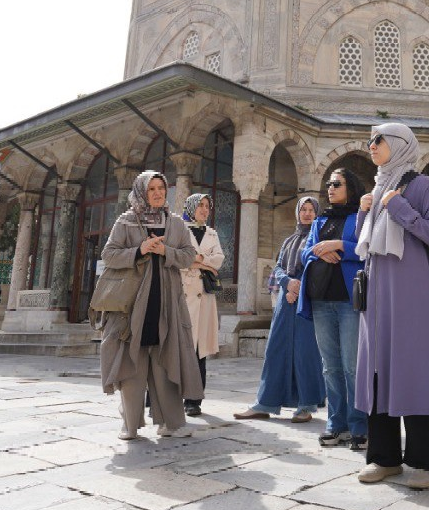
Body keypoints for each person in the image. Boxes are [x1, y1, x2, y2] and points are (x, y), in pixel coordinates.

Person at [355, 124, 429, 490]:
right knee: (380, 367)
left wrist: (396, 206)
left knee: (414, 365)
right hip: (379, 293)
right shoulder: (378, 185)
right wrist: (364, 209)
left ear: (398, 144)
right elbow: (364, 242)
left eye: (377, 140)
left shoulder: (422, 185)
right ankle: (384, 457)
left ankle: (428, 461)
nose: (371, 146)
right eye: (369, 141)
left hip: (413, 291)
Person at [98, 171, 202, 441]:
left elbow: (189, 256)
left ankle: (171, 423)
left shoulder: (176, 223)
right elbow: (109, 254)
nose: (157, 193)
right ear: (142, 191)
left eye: (161, 188)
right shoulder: (127, 221)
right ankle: (129, 424)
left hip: (167, 301)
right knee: (133, 362)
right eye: (152, 188)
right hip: (132, 303)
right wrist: (140, 250)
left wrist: (165, 251)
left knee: (166, 361)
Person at [233, 196, 327, 424]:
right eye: (303, 209)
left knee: (305, 353)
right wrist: (287, 283)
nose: (306, 214)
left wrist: (299, 287)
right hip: (286, 302)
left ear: (317, 213)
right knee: (276, 350)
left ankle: (306, 405)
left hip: (307, 302)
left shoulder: (320, 238)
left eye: (311, 210)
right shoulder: (289, 240)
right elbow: (278, 266)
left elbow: (319, 267)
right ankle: (265, 402)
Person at [297, 170, 368, 449]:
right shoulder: (322, 219)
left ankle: (358, 425)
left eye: (337, 184)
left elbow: (367, 250)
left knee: (352, 366)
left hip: (348, 300)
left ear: (351, 188)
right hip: (321, 299)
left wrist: (340, 246)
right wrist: (318, 251)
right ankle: (335, 424)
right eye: (329, 184)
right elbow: (305, 252)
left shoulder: (358, 218)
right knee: (331, 367)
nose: (330, 188)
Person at [180, 193, 223, 416]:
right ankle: (173, 396)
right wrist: (205, 263)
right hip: (183, 295)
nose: (205, 210)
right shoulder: (179, 229)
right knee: (180, 347)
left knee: (200, 350)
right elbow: (178, 258)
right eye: (201, 206)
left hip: (205, 298)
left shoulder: (212, 233)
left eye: (207, 206)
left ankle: (194, 400)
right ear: (191, 207)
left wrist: (198, 261)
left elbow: (219, 259)